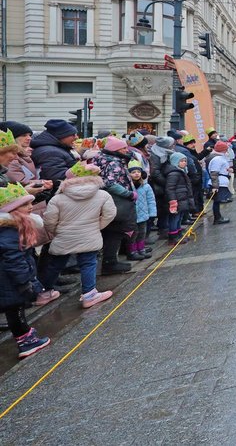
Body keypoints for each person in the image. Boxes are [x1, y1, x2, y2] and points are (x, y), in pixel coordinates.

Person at [40, 163, 116, 308]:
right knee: (88, 263)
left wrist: (57, 231)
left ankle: (45, 292)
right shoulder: (103, 195)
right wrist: (96, 227)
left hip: (63, 236)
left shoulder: (58, 198)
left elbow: (49, 220)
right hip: (90, 235)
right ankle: (89, 294)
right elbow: (110, 214)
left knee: (55, 264)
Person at [0, 183, 56, 359]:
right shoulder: (9, 231)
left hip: (9, 277)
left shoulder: (13, 228)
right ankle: (26, 341)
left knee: (14, 308)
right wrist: (25, 281)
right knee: (15, 309)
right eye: (25, 205)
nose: (31, 207)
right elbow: (14, 260)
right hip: (9, 279)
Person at [91, 136, 137, 273]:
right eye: (123, 148)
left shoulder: (102, 158)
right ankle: (110, 262)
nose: (126, 149)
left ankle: (110, 260)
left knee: (111, 231)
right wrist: (128, 194)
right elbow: (110, 183)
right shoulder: (113, 163)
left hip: (108, 200)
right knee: (115, 232)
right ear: (115, 149)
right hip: (116, 200)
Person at [128, 161, 156, 260]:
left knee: (142, 233)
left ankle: (141, 248)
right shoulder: (127, 187)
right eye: (133, 172)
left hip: (143, 214)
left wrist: (152, 213)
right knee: (133, 234)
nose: (136, 174)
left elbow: (151, 200)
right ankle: (132, 251)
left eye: (138, 172)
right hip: (132, 216)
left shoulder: (146, 186)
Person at [165, 152, 194, 245]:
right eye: (182, 161)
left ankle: (178, 234)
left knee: (179, 217)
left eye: (185, 160)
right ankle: (173, 236)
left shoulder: (181, 172)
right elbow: (170, 188)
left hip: (182, 198)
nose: (184, 163)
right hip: (177, 199)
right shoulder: (174, 173)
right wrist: (173, 201)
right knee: (175, 218)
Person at [207, 141, 233, 225]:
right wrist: (215, 186)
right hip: (219, 183)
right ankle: (217, 218)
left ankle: (218, 217)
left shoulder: (220, 158)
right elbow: (214, 173)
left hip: (221, 182)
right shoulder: (217, 159)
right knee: (217, 201)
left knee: (217, 201)